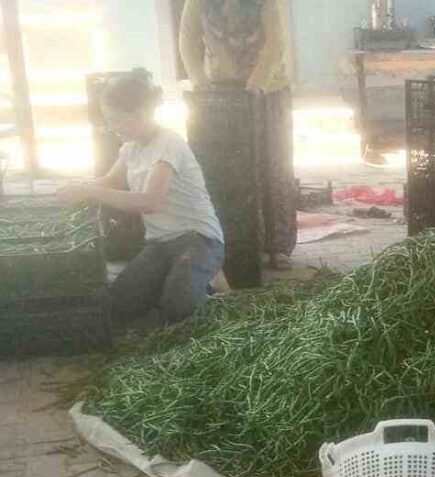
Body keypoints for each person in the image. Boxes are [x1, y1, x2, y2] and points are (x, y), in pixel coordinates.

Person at [57, 69, 225, 324]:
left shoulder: (169, 143)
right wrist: (77, 188)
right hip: (160, 243)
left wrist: (92, 192)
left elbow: (150, 201)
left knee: (178, 308)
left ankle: (212, 279)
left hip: (196, 238)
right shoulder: (131, 148)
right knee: (120, 303)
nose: (112, 127)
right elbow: (109, 182)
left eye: (117, 120)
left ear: (142, 113)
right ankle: (190, 276)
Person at [179, 0, 296, 270]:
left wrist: (255, 87)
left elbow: (275, 44)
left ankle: (278, 246)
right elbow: (187, 39)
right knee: (227, 170)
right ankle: (232, 242)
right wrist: (199, 81)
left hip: (268, 90)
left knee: (273, 166)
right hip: (220, 89)